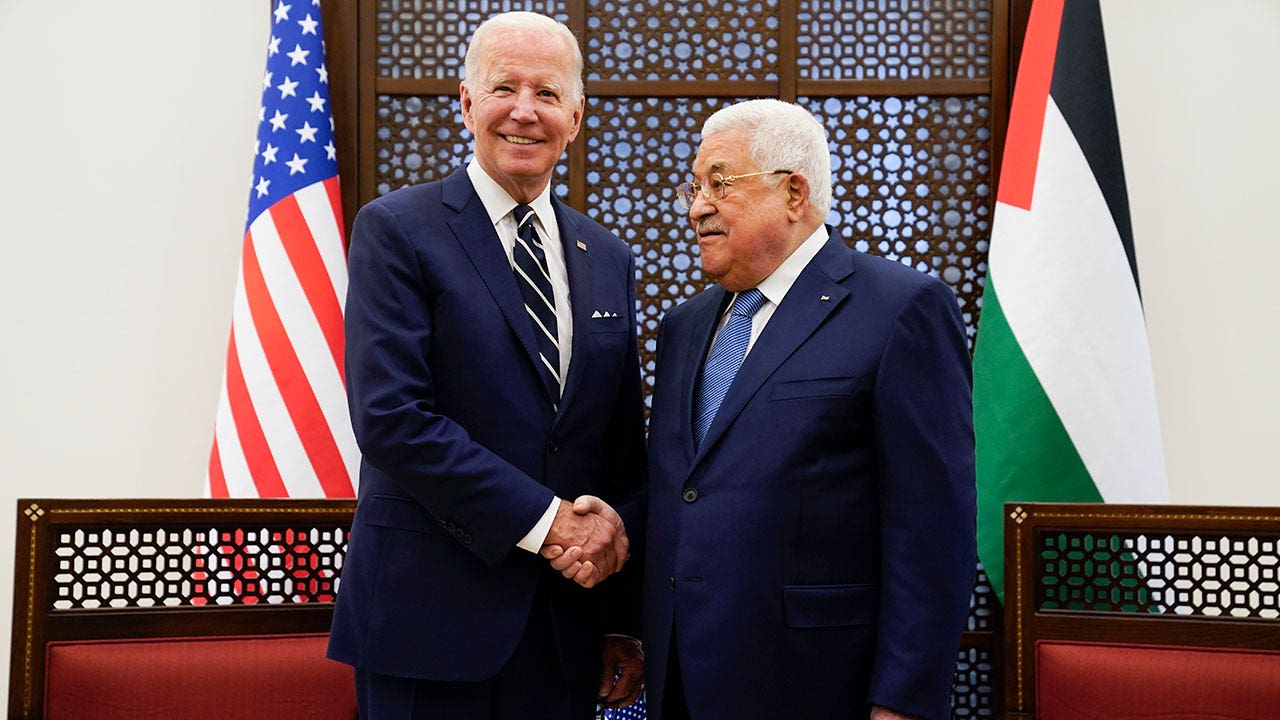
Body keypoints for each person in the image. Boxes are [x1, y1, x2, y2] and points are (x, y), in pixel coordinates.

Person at [327, 12, 646, 720]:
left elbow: (619, 449)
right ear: (468, 103)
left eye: (548, 92)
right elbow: (391, 420)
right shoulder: (397, 230)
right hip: (429, 623)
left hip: (565, 632)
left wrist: (621, 609)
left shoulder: (609, 257)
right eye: (504, 87)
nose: (525, 111)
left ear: (576, 115)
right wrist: (547, 521)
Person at [642, 99, 977, 720]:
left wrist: (903, 701)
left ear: (793, 193)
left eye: (719, 183)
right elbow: (681, 494)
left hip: (817, 684)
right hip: (681, 681)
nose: (696, 207)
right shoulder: (684, 327)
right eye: (694, 187)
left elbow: (933, 530)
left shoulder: (902, 310)